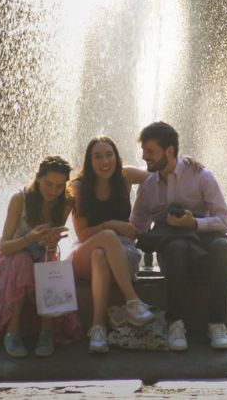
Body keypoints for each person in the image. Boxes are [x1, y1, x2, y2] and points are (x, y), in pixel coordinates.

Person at [130, 121, 227, 352]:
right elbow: (137, 225)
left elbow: (226, 221)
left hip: (202, 244)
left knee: (224, 247)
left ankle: (217, 323)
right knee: (177, 245)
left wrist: (194, 223)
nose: (145, 157)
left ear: (169, 151)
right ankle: (175, 323)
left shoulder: (201, 175)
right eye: (144, 151)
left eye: (150, 151)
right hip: (173, 250)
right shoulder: (148, 186)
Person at [0, 155, 83, 357]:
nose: (53, 191)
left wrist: (51, 243)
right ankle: (12, 332)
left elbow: (51, 246)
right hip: (11, 254)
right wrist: (29, 238)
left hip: (41, 252)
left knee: (50, 262)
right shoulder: (19, 199)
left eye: (59, 186)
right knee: (22, 262)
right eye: (48, 184)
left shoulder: (65, 202)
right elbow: (5, 247)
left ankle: (46, 331)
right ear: (38, 178)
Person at [68, 136, 156, 354]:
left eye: (109, 155)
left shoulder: (125, 176)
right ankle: (132, 301)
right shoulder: (78, 187)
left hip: (118, 254)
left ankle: (97, 328)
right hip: (82, 253)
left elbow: (163, 174)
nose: (104, 161)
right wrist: (113, 225)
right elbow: (83, 233)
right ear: (89, 161)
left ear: (116, 157)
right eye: (97, 156)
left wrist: (187, 163)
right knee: (105, 239)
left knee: (101, 255)